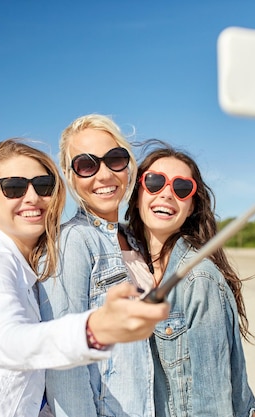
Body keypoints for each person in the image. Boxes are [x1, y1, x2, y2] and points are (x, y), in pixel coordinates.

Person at [0, 138, 169, 417]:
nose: (31, 197)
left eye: (42, 186)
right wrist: (95, 329)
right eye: (13, 187)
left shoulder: (33, 270)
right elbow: (9, 343)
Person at [125, 140, 255, 417]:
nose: (167, 194)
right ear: (137, 193)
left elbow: (211, 400)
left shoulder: (199, 279)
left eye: (182, 188)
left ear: (192, 207)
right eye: (155, 182)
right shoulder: (130, 264)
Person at [38, 114, 157, 416]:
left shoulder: (135, 240)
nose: (104, 175)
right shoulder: (73, 242)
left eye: (115, 159)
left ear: (128, 166)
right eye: (87, 165)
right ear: (69, 174)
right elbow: (64, 360)